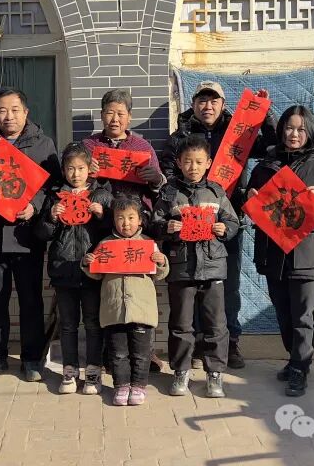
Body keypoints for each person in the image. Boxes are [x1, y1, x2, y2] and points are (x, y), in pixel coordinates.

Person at [160, 81, 277, 370]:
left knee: (227, 286)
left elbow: (272, 146)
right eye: (202, 100)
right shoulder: (180, 137)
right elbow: (167, 172)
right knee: (191, 287)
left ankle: (230, 343)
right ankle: (198, 346)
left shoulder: (239, 133)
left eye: (214, 101)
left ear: (223, 105)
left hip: (226, 222)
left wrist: (266, 115)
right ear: (193, 104)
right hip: (189, 225)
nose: (208, 106)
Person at [0, 87, 61, 382]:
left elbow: (55, 186)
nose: (8, 116)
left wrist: (35, 206)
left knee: (31, 301)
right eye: (2, 111)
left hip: (26, 236)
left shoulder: (43, 144)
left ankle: (31, 359)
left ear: (26, 112)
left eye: (15, 110)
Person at [246, 106, 314, 397]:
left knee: (303, 315)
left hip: (307, 252)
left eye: (300, 129)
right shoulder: (265, 166)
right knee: (284, 314)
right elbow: (248, 200)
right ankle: (295, 359)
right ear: (281, 130)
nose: (294, 134)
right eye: (289, 127)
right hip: (272, 251)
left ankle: (300, 367)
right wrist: (249, 197)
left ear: (309, 131)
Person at [154, 134, 240, 399]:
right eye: (188, 161)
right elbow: (154, 223)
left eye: (199, 162)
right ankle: (181, 371)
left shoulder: (216, 192)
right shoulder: (169, 193)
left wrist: (224, 228)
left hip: (213, 266)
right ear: (179, 163)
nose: (193, 167)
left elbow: (233, 222)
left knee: (216, 324)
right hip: (181, 267)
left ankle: (215, 374)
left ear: (209, 163)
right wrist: (166, 228)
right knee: (181, 324)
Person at [32, 143, 112, 395]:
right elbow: (41, 234)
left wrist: (103, 216)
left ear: (89, 169)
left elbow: (117, 231)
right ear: (64, 170)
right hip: (63, 270)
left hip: (92, 271)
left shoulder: (101, 195)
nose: (75, 174)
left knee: (93, 324)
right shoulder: (55, 196)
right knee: (67, 324)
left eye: (80, 168)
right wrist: (51, 217)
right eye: (70, 169)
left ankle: (93, 373)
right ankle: (69, 371)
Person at [83, 196, 169, 406]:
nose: (126, 223)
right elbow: (96, 274)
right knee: (118, 353)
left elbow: (160, 274)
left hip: (141, 310)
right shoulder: (105, 244)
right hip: (114, 310)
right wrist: (87, 263)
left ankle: (138, 386)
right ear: (113, 220)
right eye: (120, 218)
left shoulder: (148, 244)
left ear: (140, 220)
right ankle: (121, 386)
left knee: (141, 354)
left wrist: (161, 261)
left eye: (131, 218)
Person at [81, 88, 165, 218]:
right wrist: (86, 173)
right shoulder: (88, 145)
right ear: (102, 115)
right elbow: (72, 181)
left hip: (134, 215)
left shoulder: (143, 147)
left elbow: (162, 188)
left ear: (129, 116)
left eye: (120, 114)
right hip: (98, 213)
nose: (115, 119)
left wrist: (156, 179)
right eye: (110, 113)